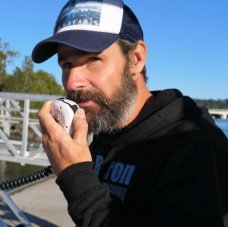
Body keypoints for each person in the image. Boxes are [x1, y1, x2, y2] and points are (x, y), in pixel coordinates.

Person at [32, 0, 228, 226]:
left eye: (93, 59)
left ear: (136, 59)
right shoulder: (107, 132)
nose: (73, 81)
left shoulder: (196, 150)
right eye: (66, 64)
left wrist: (75, 175)